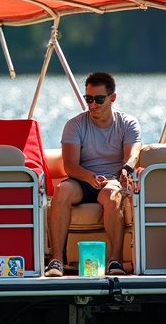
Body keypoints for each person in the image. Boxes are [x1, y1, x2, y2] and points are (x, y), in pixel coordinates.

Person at [45, 72, 142, 277]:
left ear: (112, 98)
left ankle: (114, 260)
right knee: (62, 190)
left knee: (112, 195)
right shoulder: (75, 124)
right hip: (81, 180)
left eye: (98, 99)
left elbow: (134, 154)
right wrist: (88, 177)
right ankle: (56, 260)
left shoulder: (128, 123)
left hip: (112, 180)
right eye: (88, 99)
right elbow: (70, 165)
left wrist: (126, 169)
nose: (93, 104)